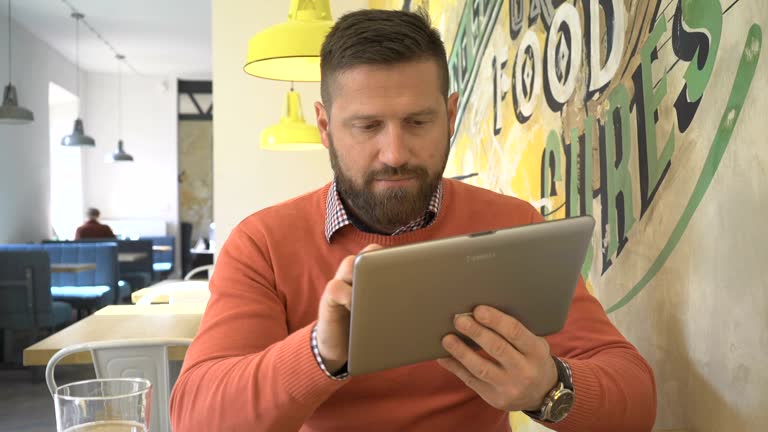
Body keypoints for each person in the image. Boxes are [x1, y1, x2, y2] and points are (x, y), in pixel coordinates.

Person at [170, 9, 656, 432]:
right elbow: (194, 418)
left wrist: (548, 388)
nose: (395, 154)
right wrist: (319, 352)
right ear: (324, 126)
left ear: (450, 114)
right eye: (367, 126)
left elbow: (635, 401)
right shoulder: (263, 244)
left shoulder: (513, 226)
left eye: (419, 123)